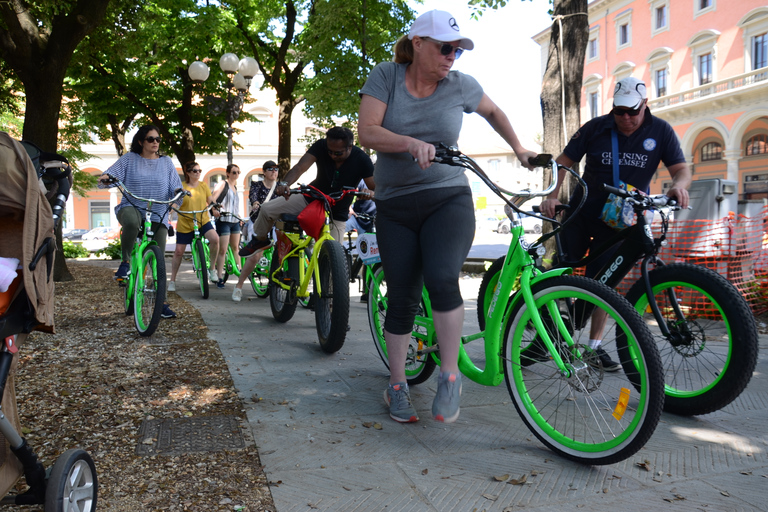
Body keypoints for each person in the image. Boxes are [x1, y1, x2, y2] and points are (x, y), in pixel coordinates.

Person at [357, 9, 537, 424]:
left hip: (446, 197)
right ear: (417, 43)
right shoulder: (386, 75)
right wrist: (409, 142)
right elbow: (367, 131)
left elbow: (494, 112)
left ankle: (450, 374)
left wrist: (519, 149)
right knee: (402, 294)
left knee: (441, 277)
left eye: (457, 49)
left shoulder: (461, 85)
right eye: (445, 47)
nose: (452, 56)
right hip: (395, 205)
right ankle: (398, 384)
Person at [539, 76, 692, 371]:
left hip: (623, 221)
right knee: (559, 270)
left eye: (632, 112)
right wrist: (552, 196)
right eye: (619, 111)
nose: (625, 118)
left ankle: (594, 347)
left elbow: (681, 169)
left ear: (644, 105)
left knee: (605, 284)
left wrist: (680, 186)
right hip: (582, 213)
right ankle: (547, 324)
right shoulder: (596, 127)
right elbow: (563, 162)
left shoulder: (661, 131)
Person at [239, 126, 375, 257]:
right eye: (330, 151)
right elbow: (300, 168)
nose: (333, 155)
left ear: (350, 147)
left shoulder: (362, 159)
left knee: (335, 257)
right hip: (312, 196)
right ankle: (260, 240)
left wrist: (370, 193)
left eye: (338, 153)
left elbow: (375, 187)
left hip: (338, 209)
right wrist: (285, 183)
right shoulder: (321, 146)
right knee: (267, 209)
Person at [98, 124, 183, 319]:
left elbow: (175, 187)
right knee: (131, 223)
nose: (155, 143)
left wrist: (179, 193)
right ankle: (126, 262)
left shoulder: (166, 162)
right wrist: (106, 178)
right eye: (150, 139)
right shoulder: (130, 159)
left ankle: (160, 303)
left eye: (158, 139)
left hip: (158, 211)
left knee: (158, 259)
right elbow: (111, 173)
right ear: (140, 141)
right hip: (132, 206)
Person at [232, 160, 281, 302]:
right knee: (255, 256)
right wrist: (255, 203)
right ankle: (239, 286)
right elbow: (253, 196)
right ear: (264, 172)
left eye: (276, 169)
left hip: (276, 222)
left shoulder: (280, 187)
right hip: (259, 221)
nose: (274, 171)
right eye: (270, 169)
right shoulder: (257, 185)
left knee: (284, 250)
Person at [169, 161, 220, 292]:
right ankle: (172, 280)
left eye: (199, 171)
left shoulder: (203, 186)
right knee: (179, 252)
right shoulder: (182, 187)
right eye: (195, 171)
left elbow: (210, 200)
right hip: (185, 222)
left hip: (202, 220)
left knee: (215, 239)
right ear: (188, 173)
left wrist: (215, 208)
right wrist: (171, 210)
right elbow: (176, 203)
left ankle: (212, 269)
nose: (198, 173)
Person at [211, 164, 242, 289]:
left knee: (235, 247)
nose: (236, 174)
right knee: (223, 249)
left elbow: (234, 206)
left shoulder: (235, 187)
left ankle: (240, 272)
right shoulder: (223, 184)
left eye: (238, 172)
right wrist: (214, 209)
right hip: (223, 220)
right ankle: (219, 277)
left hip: (234, 221)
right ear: (228, 173)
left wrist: (239, 216)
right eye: (234, 172)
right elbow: (212, 198)